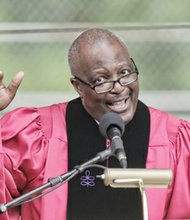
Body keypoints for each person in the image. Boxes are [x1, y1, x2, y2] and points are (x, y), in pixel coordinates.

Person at [0, 28, 190, 220]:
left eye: (125, 72)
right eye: (101, 80)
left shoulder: (174, 139)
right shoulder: (35, 135)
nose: (118, 87)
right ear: (78, 86)